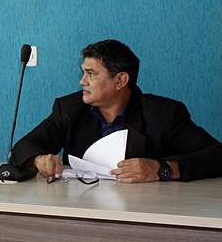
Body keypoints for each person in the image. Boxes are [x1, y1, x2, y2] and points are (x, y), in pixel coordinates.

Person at [12, 39, 222, 183]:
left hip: (145, 213)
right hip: (82, 208)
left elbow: (216, 156)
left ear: (121, 80)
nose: (82, 81)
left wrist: (162, 169)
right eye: (83, 72)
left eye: (91, 74)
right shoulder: (70, 109)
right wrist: (39, 160)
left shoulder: (164, 114)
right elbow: (24, 146)